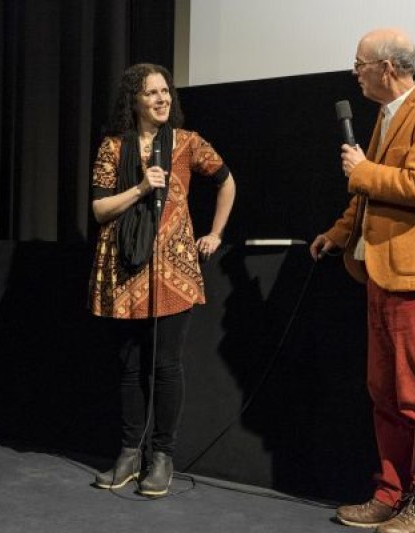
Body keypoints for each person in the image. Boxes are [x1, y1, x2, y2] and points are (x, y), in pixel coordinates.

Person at [309, 29, 415, 533]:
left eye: (360, 65)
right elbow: (368, 196)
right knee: (384, 393)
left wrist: (362, 169)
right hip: (382, 275)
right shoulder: (387, 115)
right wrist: (339, 233)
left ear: (386, 68)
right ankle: (391, 494)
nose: (354, 73)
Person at [88, 63, 236, 497]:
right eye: (152, 92)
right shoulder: (114, 147)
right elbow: (99, 209)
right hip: (124, 268)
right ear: (133, 100)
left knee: (166, 364)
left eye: (165, 91)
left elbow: (227, 182)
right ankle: (129, 454)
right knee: (130, 365)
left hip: (173, 272)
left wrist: (215, 233)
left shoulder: (187, 143)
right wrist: (139, 188)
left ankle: (162, 457)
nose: (162, 98)